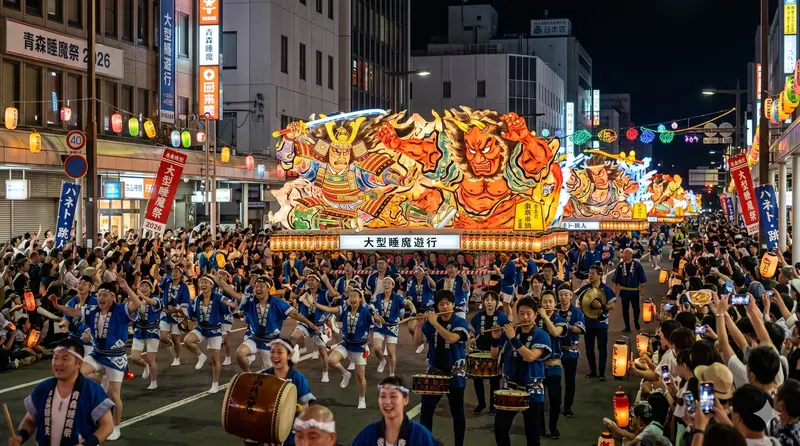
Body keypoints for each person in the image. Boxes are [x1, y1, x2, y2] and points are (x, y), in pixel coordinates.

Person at [48, 278, 142, 441]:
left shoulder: (121, 310)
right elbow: (74, 312)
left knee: (114, 396)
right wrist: (58, 307)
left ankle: (116, 426)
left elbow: (138, 304)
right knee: (76, 375)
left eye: (105, 295)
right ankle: (92, 405)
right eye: (99, 295)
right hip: (97, 353)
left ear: (113, 297)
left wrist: (127, 287)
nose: (101, 298)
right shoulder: (92, 310)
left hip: (115, 358)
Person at [9, 338, 114, 446]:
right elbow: (30, 420)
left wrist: (87, 444)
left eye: (65, 359)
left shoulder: (92, 390)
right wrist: (19, 437)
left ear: (78, 363)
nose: (58, 363)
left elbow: (107, 426)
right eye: (55, 358)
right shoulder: (43, 388)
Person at [213, 274, 317, 372]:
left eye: (261, 286)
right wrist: (221, 282)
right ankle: (248, 374)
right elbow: (234, 293)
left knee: (272, 375)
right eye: (256, 286)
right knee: (240, 353)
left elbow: (295, 315)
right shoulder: (250, 300)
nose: (258, 288)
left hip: (270, 342)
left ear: (268, 289)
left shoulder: (278, 303)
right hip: (254, 339)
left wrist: (310, 324)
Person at [490, 296, 552, 446]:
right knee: (500, 428)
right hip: (510, 387)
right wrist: (495, 338)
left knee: (532, 435)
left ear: (535, 315)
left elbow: (530, 357)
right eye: (522, 313)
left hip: (532, 389)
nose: (525, 317)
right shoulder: (512, 332)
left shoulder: (542, 335)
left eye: (529, 313)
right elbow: (494, 355)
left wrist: (513, 338)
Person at [413, 290, 469, 446]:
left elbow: (451, 338)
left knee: (457, 412)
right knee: (426, 411)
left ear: (453, 304)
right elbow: (417, 343)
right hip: (435, 371)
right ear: (437, 306)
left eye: (447, 303)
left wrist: (434, 323)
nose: (445, 307)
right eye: (441, 304)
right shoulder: (431, 324)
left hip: (455, 373)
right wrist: (419, 325)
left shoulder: (460, 322)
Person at [313, 287, 381, 409]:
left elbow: (379, 322)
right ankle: (345, 374)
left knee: (360, 376)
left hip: (360, 347)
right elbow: (330, 309)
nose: (352, 298)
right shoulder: (344, 308)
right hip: (346, 343)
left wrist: (375, 315)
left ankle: (362, 399)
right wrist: (316, 304)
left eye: (355, 296)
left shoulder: (366, 310)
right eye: (351, 296)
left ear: (360, 298)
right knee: (331, 360)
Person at [352, 376, 436, 446]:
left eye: (393, 396)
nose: (387, 402)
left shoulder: (420, 435)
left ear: (405, 400)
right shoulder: (367, 434)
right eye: (383, 396)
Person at [261, 339, 315, 446]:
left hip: (291, 431)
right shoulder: (264, 376)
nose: (275, 355)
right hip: (267, 428)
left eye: (280, 352)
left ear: (289, 356)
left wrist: (291, 410)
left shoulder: (298, 378)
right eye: (272, 352)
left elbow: (304, 410)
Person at [183, 275, 230, 394]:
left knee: (215, 358)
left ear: (211, 285)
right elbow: (191, 313)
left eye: (206, 282)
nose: (203, 285)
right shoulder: (198, 299)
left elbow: (228, 308)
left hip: (214, 329)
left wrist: (232, 305)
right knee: (188, 340)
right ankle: (201, 356)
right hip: (202, 327)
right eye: (201, 282)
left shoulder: (219, 297)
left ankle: (215, 383)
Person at [290, 273, 339, 381]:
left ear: (317, 282)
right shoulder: (304, 292)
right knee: (294, 336)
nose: (310, 282)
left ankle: (325, 372)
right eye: (308, 280)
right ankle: (302, 347)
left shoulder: (323, 293)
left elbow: (334, 294)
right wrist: (300, 284)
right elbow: (292, 296)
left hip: (319, 325)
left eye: (312, 280)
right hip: (306, 322)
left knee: (322, 352)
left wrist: (326, 281)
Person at [468, 291, 509, 415]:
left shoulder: (502, 317)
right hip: (479, 352)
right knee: (477, 379)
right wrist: (472, 339)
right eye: (487, 300)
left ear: (497, 302)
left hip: (495, 352)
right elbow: (472, 332)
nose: (489, 302)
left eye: (492, 300)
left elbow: (508, 335)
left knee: (494, 380)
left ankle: (493, 405)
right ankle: (481, 403)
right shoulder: (478, 316)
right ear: (483, 302)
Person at [576, 264, 616, 380]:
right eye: (589, 273)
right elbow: (578, 302)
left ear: (600, 275)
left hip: (601, 323)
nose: (590, 275)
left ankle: (602, 372)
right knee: (589, 348)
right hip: (588, 323)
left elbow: (612, 305)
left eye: (592, 273)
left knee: (602, 348)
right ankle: (593, 370)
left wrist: (602, 306)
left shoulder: (606, 289)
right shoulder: (585, 288)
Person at [536, 290, 566, 439]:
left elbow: (555, 333)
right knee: (538, 399)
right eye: (544, 302)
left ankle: (553, 426)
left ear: (555, 304)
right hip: (537, 366)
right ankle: (540, 428)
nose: (547, 304)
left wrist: (545, 317)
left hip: (554, 366)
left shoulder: (560, 319)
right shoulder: (534, 320)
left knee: (555, 399)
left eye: (550, 302)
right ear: (540, 303)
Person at [372, 276, 416, 376]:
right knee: (376, 348)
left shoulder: (397, 297)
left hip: (392, 326)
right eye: (385, 282)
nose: (386, 284)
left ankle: (392, 373)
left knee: (391, 353)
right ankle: (382, 361)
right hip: (380, 325)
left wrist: (413, 311)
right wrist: (375, 316)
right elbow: (372, 308)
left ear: (393, 286)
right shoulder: (378, 296)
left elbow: (408, 303)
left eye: (389, 283)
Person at [129, 278, 162, 390]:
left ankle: (154, 381)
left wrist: (142, 297)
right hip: (139, 330)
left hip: (152, 331)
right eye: (142, 286)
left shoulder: (155, 298)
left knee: (151, 359)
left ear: (151, 289)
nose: (144, 288)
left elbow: (155, 303)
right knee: (134, 358)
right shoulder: (136, 300)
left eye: (147, 286)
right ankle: (145, 366)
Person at [557, 284, 585, 418]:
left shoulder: (576, 312)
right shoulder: (554, 310)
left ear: (571, 296)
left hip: (570, 350)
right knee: (553, 380)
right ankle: (554, 405)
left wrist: (565, 326)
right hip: (556, 350)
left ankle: (568, 406)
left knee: (570, 380)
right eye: (561, 294)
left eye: (566, 294)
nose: (563, 297)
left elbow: (581, 329)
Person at [159, 265, 190, 367]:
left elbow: (185, 303)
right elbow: (155, 275)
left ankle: (177, 358)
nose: (174, 273)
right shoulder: (167, 282)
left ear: (181, 274)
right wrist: (157, 263)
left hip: (177, 315)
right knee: (163, 337)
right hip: (165, 313)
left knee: (176, 338)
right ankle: (169, 343)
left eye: (177, 271)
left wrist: (177, 309)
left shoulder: (184, 287)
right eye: (173, 271)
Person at [612, 248, 647, 332]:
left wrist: (642, 288)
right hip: (624, 291)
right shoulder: (620, 265)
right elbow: (615, 280)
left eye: (626, 253)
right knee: (625, 309)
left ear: (631, 254)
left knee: (636, 309)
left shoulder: (637, 265)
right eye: (623, 253)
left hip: (634, 291)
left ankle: (636, 321)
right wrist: (613, 291)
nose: (624, 255)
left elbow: (641, 278)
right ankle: (627, 326)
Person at [64, 276, 98, 356]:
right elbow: (66, 319)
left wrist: (92, 335)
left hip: (89, 342)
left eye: (84, 284)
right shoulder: (70, 303)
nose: (80, 286)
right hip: (73, 340)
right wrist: (64, 324)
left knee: (87, 366)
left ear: (90, 287)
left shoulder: (96, 303)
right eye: (79, 283)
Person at [406, 265, 436, 354]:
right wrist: (409, 299)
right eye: (416, 272)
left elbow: (434, 285)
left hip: (428, 309)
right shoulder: (412, 282)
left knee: (430, 331)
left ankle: (431, 348)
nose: (418, 273)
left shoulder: (427, 280)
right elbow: (409, 294)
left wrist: (427, 276)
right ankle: (420, 342)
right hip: (416, 309)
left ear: (423, 273)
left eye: (420, 271)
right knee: (411, 327)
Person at [492, 253, 517, 320]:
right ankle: (509, 318)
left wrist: (496, 269)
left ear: (508, 256)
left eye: (503, 255)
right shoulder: (503, 263)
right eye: (500, 255)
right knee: (506, 304)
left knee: (505, 305)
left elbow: (502, 275)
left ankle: (503, 319)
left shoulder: (511, 263)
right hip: (503, 286)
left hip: (508, 286)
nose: (501, 257)